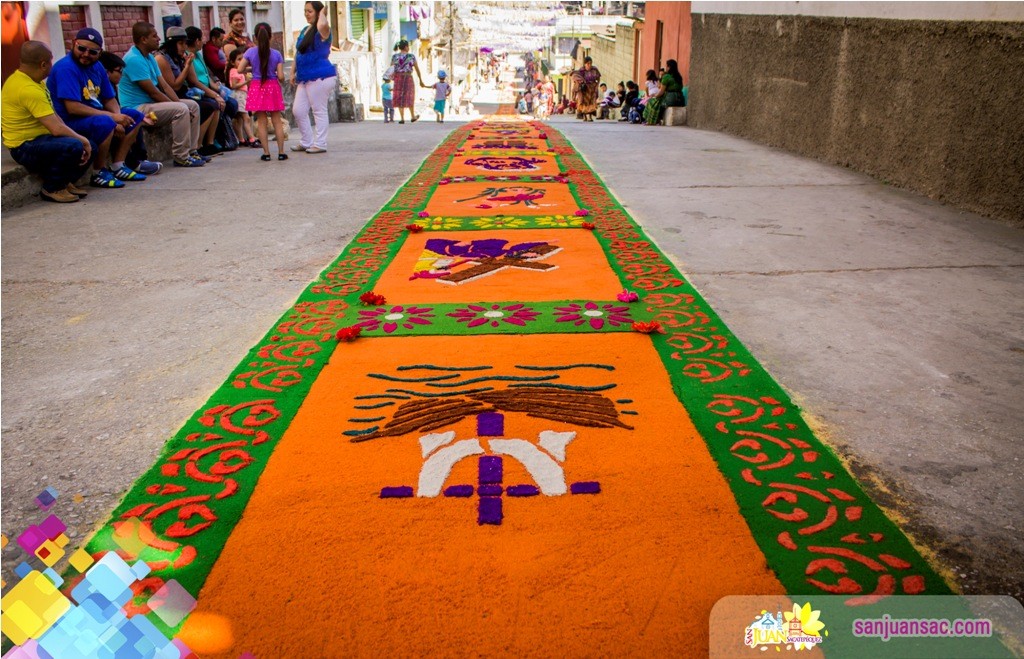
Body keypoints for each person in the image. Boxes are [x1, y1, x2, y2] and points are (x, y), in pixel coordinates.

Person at [47, 27, 146, 188]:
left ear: (100, 52)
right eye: (82, 49)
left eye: (92, 52)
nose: (86, 54)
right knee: (105, 123)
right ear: (74, 44)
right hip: (71, 121)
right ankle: (98, 171)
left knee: (134, 116)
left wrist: (118, 116)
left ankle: (118, 165)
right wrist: (112, 118)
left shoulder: (98, 66)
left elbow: (109, 98)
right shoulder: (66, 68)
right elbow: (72, 107)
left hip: (95, 114)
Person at [1, 41, 93, 203]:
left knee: (91, 143)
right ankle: (53, 187)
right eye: (50, 62)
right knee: (75, 145)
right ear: (43, 64)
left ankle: (65, 181)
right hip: (23, 146)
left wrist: (84, 139)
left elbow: (54, 116)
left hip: (42, 138)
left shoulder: (34, 82)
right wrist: (82, 140)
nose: (51, 66)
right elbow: (56, 129)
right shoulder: (26, 89)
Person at [119, 22, 204, 167]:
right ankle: (181, 156)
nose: (158, 38)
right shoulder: (134, 59)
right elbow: (153, 92)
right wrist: (179, 105)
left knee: (193, 106)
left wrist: (179, 102)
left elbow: (164, 85)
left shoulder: (149, 57)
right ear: (143, 39)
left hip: (152, 105)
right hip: (137, 108)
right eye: (154, 36)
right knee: (181, 109)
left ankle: (191, 151)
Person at [153, 26, 216, 159]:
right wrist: (187, 66)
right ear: (172, 44)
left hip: (183, 94)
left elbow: (193, 79)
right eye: (181, 43)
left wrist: (187, 63)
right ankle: (182, 155)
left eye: (185, 43)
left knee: (200, 105)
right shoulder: (162, 59)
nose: (184, 47)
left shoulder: (180, 56)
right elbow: (174, 86)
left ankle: (193, 151)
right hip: (168, 97)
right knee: (190, 107)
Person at [98, 50, 163, 174]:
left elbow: (116, 108)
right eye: (119, 71)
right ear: (107, 72)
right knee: (127, 119)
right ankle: (130, 163)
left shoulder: (111, 86)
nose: (121, 75)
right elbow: (101, 109)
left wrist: (143, 117)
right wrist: (115, 122)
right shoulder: (101, 86)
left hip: (113, 116)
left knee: (134, 116)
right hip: (102, 118)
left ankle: (139, 159)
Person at [290, 1, 334, 154]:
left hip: (320, 76)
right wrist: (292, 72)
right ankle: (306, 141)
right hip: (304, 77)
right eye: (305, 11)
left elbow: (322, 24)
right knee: (298, 110)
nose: (306, 14)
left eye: (310, 11)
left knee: (318, 110)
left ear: (318, 12)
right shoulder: (304, 30)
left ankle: (320, 143)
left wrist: (322, 12)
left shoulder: (323, 30)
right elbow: (298, 53)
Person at [239, 22, 287, 161]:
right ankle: (281, 152)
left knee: (261, 122)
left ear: (255, 38)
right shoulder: (277, 54)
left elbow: (240, 69)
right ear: (270, 37)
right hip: (272, 87)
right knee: (277, 121)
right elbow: (281, 76)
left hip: (257, 87)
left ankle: (266, 154)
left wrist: (252, 69)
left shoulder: (250, 52)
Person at [390, 39, 424, 124]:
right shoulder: (411, 57)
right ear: (405, 47)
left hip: (398, 78)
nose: (408, 48)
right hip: (408, 77)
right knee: (410, 96)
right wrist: (420, 80)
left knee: (399, 96)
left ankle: (402, 118)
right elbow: (417, 69)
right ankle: (412, 116)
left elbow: (391, 68)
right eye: (408, 46)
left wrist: (392, 78)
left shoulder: (395, 57)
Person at [226, 48, 256, 146]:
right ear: (232, 61)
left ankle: (241, 139)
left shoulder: (236, 71)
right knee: (246, 118)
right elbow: (233, 86)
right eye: (239, 59)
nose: (241, 61)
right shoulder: (234, 71)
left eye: (242, 59)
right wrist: (246, 81)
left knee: (239, 118)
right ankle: (251, 138)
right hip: (239, 95)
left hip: (242, 95)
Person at [570, 56, 601, 122]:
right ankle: (585, 116)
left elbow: (598, 78)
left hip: (592, 89)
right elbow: (577, 78)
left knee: (591, 102)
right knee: (585, 103)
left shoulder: (594, 69)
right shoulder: (581, 71)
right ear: (585, 64)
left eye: (590, 63)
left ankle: (589, 116)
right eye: (588, 63)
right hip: (585, 89)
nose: (589, 65)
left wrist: (596, 85)